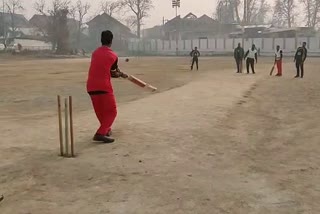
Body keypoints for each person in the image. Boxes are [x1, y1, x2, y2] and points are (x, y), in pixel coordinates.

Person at [86, 30, 128, 143]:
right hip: (104, 86)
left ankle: (105, 130)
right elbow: (113, 72)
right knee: (112, 112)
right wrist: (119, 74)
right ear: (111, 41)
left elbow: (103, 69)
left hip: (91, 86)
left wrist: (117, 73)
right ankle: (100, 133)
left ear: (101, 40)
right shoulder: (113, 55)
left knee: (101, 111)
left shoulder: (95, 53)